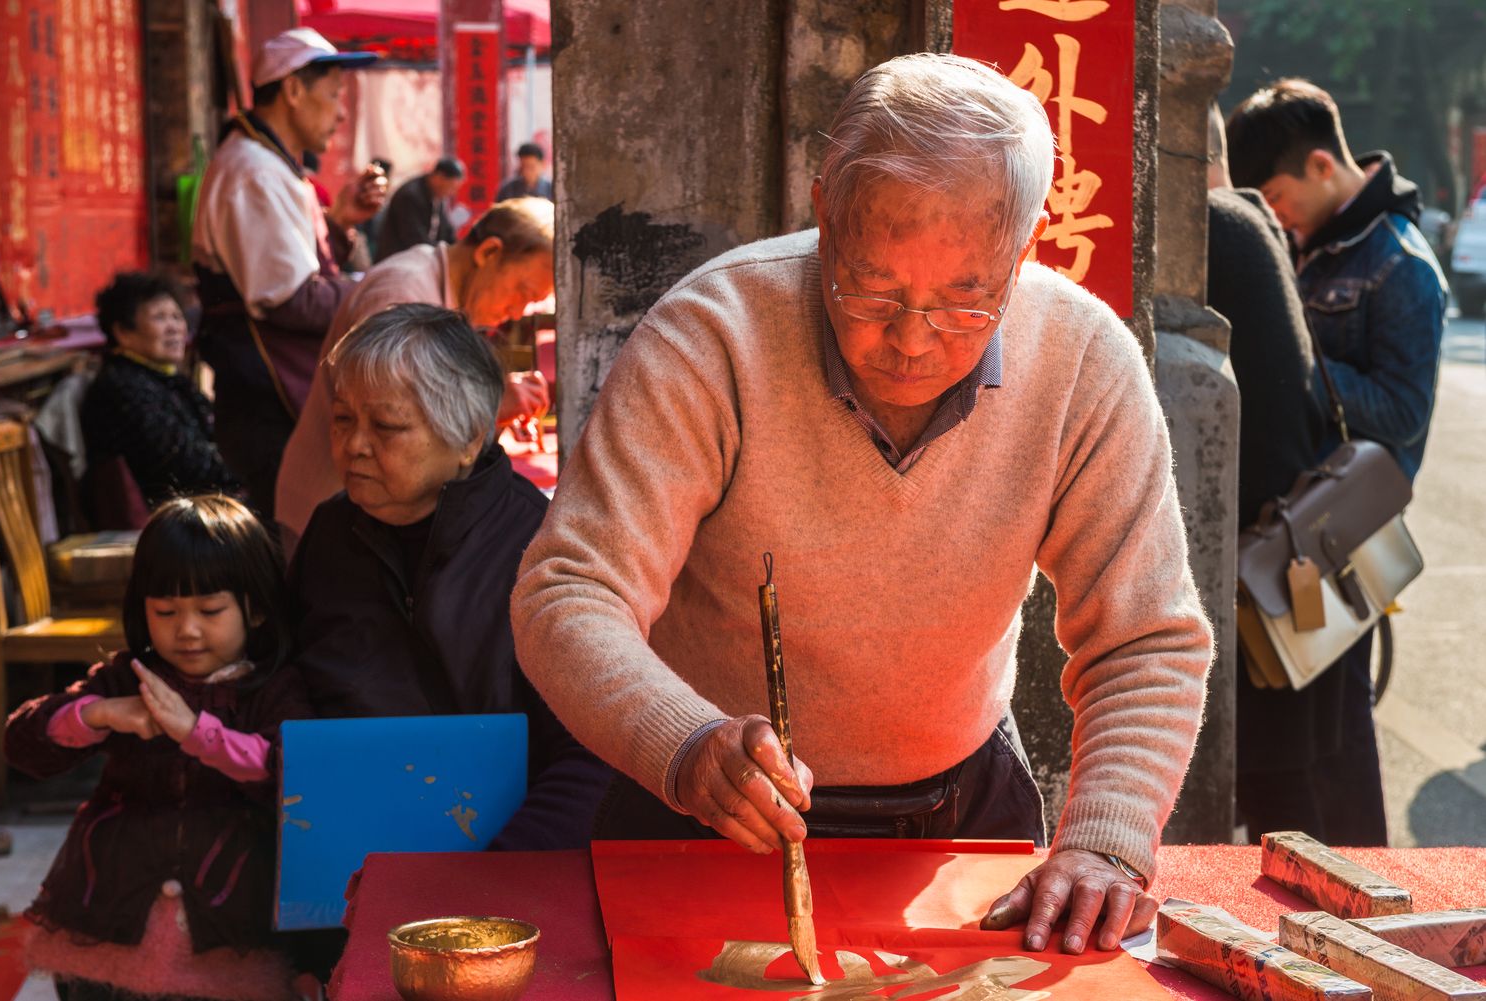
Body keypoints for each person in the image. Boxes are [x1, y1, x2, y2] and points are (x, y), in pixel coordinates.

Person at [512, 53, 1213, 954]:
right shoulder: (714, 336)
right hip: (701, 813)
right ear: (823, 213)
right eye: (873, 288)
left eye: (966, 301)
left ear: (1024, 248)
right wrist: (685, 745)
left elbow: (1145, 637)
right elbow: (568, 590)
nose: (912, 339)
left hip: (963, 808)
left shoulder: (1082, 360)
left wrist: (1107, 841)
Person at [289, 304, 608, 849]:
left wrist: (496, 877)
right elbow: (286, 677)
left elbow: (592, 754)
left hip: (506, 863)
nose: (354, 445)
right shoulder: (329, 534)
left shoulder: (541, 550)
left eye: (386, 426)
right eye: (343, 419)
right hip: (344, 851)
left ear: (467, 440)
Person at [1225, 79, 1449, 845]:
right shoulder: (1313, 243)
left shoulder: (1402, 265)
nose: (1275, 214)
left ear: (1323, 166)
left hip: (1334, 543)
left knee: (1336, 750)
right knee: (1304, 744)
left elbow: (1403, 417)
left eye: (1280, 195)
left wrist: (1295, 361)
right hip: (1290, 538)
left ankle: (1367, 917)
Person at [4, 495, 310, 1001]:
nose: (186, 630)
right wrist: (100, 714)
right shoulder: (128, 678)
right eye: (165, 611)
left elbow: (290, 775)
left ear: (254, 609)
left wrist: (198, 734)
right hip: (107, 916)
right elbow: (24, 741)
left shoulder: (274, 689)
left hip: (230, 926)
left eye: (210, 610)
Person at [1206, 105, 1355, 843]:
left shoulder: (1214, 232)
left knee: (1279, 798)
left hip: (1258, 570)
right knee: (1299, 783)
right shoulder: (1255, 226)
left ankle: (1327, 948)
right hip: (1299, 553)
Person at [274, 197, 555, 544]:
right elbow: (389, 419)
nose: (516, 313)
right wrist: (489, 407)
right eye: (522, 293)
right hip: (336, 521)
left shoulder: (433, 283)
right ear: (489, 253)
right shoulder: (402, 293)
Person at [191, 27, 385, 518]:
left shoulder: (272, 163)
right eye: (334, 94)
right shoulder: (253, 169)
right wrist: (379, 295)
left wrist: (339, 224)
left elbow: (291, 266)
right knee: (285, 532)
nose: (341, 112)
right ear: (293, 90)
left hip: (272, 391)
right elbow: (291, 297)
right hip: (266, 398)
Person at [81, 273, 243, 511]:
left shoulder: (165, 377)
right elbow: (186, 467)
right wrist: (248, 471)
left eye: (177, 317)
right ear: (123, 332)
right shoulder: (123, 388)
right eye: (160, 318)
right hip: (171, 519)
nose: (175, 328)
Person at [374, 158, 466, 263]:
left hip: (418, 261)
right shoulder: (410, 196)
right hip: (397, 262)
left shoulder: (437, 196)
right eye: (451, 187)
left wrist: (457, 251)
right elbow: (415, 239)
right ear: (438, 177)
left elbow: (446, 232)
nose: (452, 193)